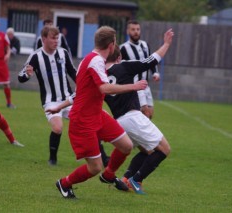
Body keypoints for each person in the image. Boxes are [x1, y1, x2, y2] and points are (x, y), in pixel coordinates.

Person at [50, 26, 148, 199]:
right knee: (94, 167)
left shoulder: (91, 59)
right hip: (83, 119)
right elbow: (105, 88)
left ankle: (109, 174)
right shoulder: (95, 61)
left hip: (97, 115)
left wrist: (59, 106)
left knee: (126, 145)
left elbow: (83, 91)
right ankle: (64, 183)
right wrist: (133, 86)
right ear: (111, 45)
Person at [104, 29, 174, 194]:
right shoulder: (124, 67)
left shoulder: (101, 75)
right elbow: (151, 60)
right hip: (132, 117)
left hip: (120, 122)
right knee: (164, 149)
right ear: (119, 58)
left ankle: (127, 178)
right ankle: (137, 179)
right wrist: (166, 44)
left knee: (147, 150)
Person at [18, 26, 76, 165]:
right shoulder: (36, 56)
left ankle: (102, 157)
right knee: (57, 128)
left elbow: (73, 72)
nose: (56, 41)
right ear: (44, 39)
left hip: (68, 99)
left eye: (57, 38)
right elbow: (21, 76)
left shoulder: (63, 53)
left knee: (88, 122)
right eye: (53, 38)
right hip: (50, 101)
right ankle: (53, 159)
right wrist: (27, 74)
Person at [120, 20, 159, 119]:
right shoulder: (123, 48)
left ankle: (136, 133)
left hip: (146, 86)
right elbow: (120, 67)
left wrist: (155, 72)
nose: (136, 32)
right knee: (144, 113)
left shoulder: (145, 45)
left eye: (138, 29)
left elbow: (150, 60)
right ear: (128, 31)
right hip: (135, 87)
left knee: (149, 114)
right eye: (133, 29)